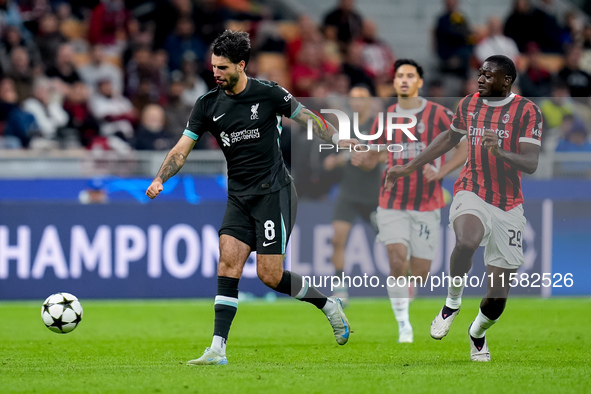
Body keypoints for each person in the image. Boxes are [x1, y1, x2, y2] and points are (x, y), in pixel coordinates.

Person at [145, 30, 357, 366]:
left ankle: (327, 304)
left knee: (270, 275)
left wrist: (341, 141)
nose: (215, 72)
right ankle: (217, 348)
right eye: (214, 66)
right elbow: (181, 150)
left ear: (241, 65)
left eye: (223, 67)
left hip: (274, 193)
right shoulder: (207, 105)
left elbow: (307, 119)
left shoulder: (268, 93)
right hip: (239, 197)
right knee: (227, 263)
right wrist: (160, 178)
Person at [385, 55, 543, 361]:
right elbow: (449, 137)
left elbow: (531, 163)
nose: (480, 79)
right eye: (479, 73)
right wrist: (408, 167)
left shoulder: (527, 111)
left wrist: (500, 150)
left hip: (509, 204)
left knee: (496, 302)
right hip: (471, 188)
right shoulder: (469, 104)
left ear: (506, 81)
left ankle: (477, 333)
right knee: (467, 240)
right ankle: (452, 303)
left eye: (488, 75)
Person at [352, 59, 468, 343]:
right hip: (391, 201)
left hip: (427, 204)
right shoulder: (385, 117)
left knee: (419, 272)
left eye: (410, 76)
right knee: (395, 259)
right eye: (399, 76)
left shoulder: (439, 114)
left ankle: (407, 284)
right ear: (394, 83)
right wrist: (364, 160)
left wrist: (441, 171)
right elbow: (377, 156)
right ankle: (403, 324)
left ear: (419, 82)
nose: (404, 80)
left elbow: (464, 147)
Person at [324, 84, 382, 306]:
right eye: (353, 99)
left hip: (372, 194)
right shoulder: (345, 128)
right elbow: (338, 151)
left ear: (369, 101)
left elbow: (378, 154)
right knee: (338, 239)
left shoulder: (377, 126)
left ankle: (405, 280)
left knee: (391, 243)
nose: (357, 102)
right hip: (348, 192)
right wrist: (333, 160)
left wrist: (346, 158)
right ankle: (340, 290)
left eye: (361, 98)